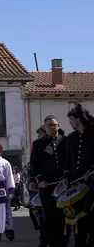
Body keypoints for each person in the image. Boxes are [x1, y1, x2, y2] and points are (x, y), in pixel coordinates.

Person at [30, 115, 68, 247]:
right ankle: (48, 241)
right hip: (46, 186)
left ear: (58, 126)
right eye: (50, 125)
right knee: (48, 216)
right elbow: (34, 165)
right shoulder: (38, 144)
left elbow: (70, 161)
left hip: (63, 185)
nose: (53, 128)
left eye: (55, 125)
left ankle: (62, 241)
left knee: (62, 216)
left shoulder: (66, 141)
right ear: (45, 128)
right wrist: (40, 180)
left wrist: (66, 175)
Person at [63, 104, 94, 247]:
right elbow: (68, 160)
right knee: (78, 221)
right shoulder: (71, 137)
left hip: (92, 184)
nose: (70, 123)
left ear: (78, 119)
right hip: (75, 184)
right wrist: (66, 177)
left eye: (71, 120)